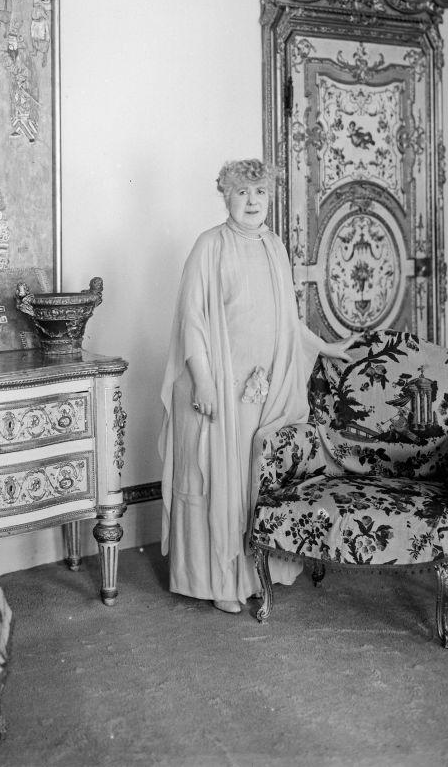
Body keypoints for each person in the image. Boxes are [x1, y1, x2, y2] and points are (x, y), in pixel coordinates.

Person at [158, 158, 354, 614]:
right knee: (220, 479)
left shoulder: (274, 246)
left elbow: (285, 319)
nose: (252, 201)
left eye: (260, 192)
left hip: (262, 389)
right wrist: (203, 382)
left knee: (254, 477)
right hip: (216, 389)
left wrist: (325, 347)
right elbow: (192, 322)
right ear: (225, 196)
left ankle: (256, 574)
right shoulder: (209, 245)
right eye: (242, 192)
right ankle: (220, 583)